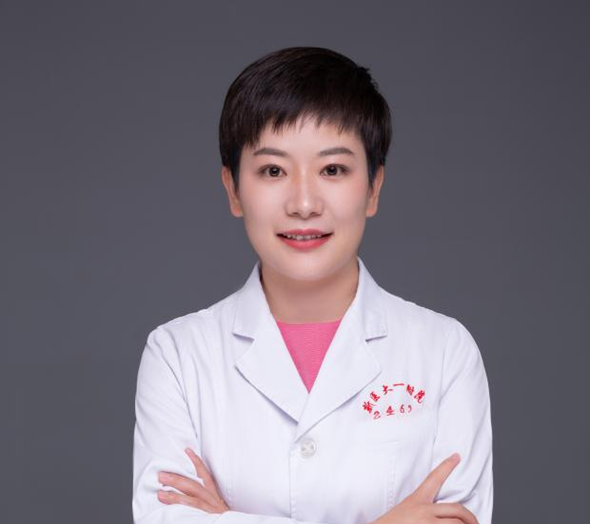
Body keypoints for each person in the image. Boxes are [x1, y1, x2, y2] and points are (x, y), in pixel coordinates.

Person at [132, 46, 493, 524]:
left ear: (374, 188)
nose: (303, 204)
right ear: (233, 189)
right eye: (273, 171)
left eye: (333, 170)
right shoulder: (178, 355)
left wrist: (225, 517)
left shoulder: (445, 352)